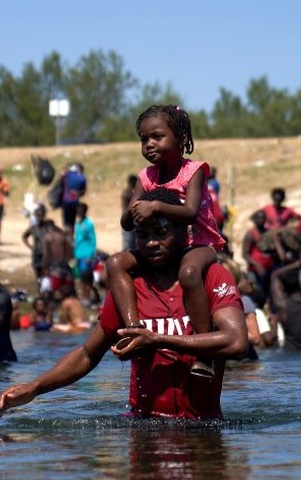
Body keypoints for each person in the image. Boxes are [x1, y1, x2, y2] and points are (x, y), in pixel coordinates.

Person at [0, 188, 248, 419]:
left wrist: (158, 340)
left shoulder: (210, 277)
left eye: (161, 233)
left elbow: (236, 342)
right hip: (144, 427)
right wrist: (34, 388)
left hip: (202, 429)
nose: (151, 243)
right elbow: (87, 354)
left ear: (183, 233)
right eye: (142, 235)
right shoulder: (128, 288)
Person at [108, 105, 226, 380]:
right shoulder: (146, 177)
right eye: (143, 139)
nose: (149, 144)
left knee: (188, 273)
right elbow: (127, 222)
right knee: (116, 263)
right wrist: (135, 207)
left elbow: (190, 212)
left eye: (157, 137)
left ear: (181, 138)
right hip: (162, 246)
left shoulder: (193, 171)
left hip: (198, 244)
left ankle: (204, 351)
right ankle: (133, 331)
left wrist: (156, 206)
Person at [73, 202, 97, 305]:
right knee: (80, 278)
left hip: (86, 254)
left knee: (86, 277)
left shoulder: (88, 224)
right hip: (78, 254)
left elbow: (93, 240)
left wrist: (90, 255)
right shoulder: (78, 223)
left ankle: (89, 296)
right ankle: (84, 296)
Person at [60, 163, 86, 235]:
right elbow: (83, 192)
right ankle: (71, 237)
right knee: (72, 221)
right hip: (75, 202)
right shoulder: (83, 178)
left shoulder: (68, 175)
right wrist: (77, 193)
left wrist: (69, 170)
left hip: (66, 201)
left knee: (66, 222)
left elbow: (62, 176)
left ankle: (67, 238)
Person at [121, 174, 139, 251]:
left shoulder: (136, 191)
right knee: (128, 241)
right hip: (129, 218)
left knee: (136, 240)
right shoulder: (127, 193)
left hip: (136, 218)